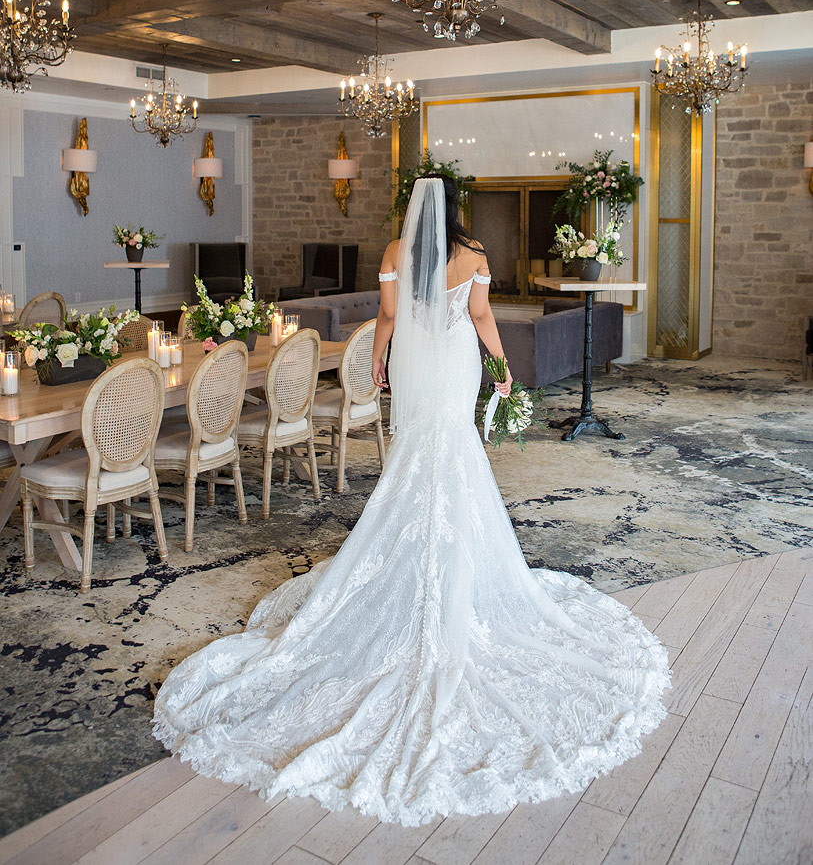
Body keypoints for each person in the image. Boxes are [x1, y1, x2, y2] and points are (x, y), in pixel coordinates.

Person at [153, 174, 670, 827]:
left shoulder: (396, 253)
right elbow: (481, 317)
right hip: (452, 357)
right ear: (453, 211)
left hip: (415, 359)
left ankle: (410, 552)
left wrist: (376, 362)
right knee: (452, 448)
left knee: (413, 456)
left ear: (413, 212)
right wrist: (501, 370)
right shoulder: (476, 254)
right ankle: (447, 559)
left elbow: (389, 319)